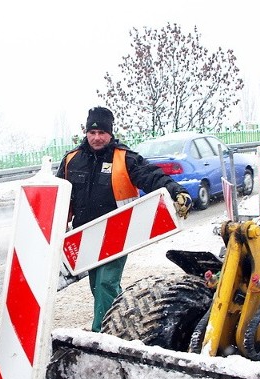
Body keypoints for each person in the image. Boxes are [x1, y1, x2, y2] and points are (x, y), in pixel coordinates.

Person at [56, 107, 193, 332]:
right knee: (98, 287)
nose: (97, 137)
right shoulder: (72, 160)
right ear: (86, 133)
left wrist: (176, 191)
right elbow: (59, 197)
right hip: (85, 236)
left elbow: (151, 176)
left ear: (110, 133)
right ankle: (121, 321)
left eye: (102, 132)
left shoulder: (124, 158)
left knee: (105, 283)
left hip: (117, 233)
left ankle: (103, 333)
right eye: (92, 132)